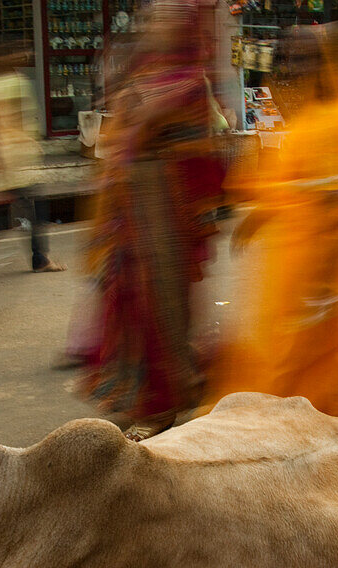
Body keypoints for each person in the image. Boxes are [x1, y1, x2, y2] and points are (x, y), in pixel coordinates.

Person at [203, 24, 338, 431]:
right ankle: (300, 419)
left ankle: (331, 422)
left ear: (326, 65)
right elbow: (292, 182)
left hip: (322, 263)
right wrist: (260, 215)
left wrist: (327, 281)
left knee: (308, 348)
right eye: (289, 58)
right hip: (289, 260)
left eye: (306, 58)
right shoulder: (305, 115)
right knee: (285, 344)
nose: (294, 68)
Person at [78, 0, 223, 441]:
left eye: (165, 20)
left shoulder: (191, 82)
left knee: (160, 310)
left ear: (185, 28)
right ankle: (139, 392)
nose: (155, 26)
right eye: (153, 18)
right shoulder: (143, 74)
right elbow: (118, 133)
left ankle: (162, 406)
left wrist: (142, 118)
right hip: (128, 208)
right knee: (126, 303)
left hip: (164, 213)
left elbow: (199, 152)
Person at [0, 43, 66, 273]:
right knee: (36, 210)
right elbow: (21, 119)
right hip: (20, 155)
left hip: (6, 156)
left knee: (18, 207)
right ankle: (40, 259)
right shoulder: (17, 82)